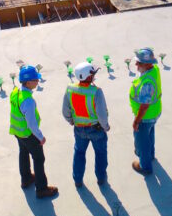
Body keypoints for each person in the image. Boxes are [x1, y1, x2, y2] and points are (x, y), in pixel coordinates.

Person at [10, 65, 58, 198]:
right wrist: (40, 137)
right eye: (35, 80)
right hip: (28, 134)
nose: (38, 81)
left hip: (17, 131)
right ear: (28, 82)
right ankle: (42, 188)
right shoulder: (28, 101)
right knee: (38, 158)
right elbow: (31, 123)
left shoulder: (15, 92)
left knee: (23, 153)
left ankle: (26, 179)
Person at [62, 62, 110, 187]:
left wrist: (71, 120)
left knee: (79, 153)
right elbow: (101, 113)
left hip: (79, 129)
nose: (94, 75)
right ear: (88, 77)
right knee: (100, 153)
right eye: (93, 74)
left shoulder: (70, 89)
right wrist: (106, 126)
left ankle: (77, 180)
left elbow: (65, 110)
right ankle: (101, 178)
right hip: (96, 129)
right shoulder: (96, 92)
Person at [129, 47, 161, 174]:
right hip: (154, 113)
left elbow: (144, 105)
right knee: (149, 135)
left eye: (139, 62)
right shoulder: (154, 69)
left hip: (146, 116)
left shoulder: (147, 83)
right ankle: (150, 155)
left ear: (148, 64)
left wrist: (136, 121)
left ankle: (145, 166)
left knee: (142, 141)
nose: (136, 64)